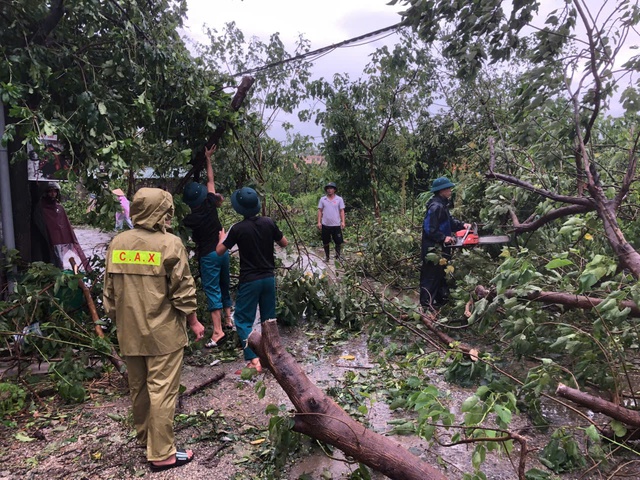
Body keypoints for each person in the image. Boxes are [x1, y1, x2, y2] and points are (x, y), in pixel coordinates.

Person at [103, 187, 205, 473]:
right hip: (163, 334)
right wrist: (194, 321)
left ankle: (147, 438)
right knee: (161, 391)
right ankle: (161, 455)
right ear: (164, 211)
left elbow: (109, 295)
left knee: (139, 388)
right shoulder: (170, 244)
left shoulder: (117, 244)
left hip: (130, 332)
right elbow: (183, 291)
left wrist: (121, 321)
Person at [216, 187, 288, 373]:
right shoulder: (269, 222)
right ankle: (272, 357)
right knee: (268, 319)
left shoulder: (238, 229)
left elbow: (219, 251)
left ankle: (253, 360)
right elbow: (284, 242)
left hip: (250, 280)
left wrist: (222, 238)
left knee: (241, 318)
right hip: (268, 278)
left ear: (239, 209)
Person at [183, 145, 234, 348]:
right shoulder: (211, 202)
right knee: (224, 285)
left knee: (212, 290)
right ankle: (228, 320)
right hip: (223, 250)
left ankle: (218, 331)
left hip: (208, 255)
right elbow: (211, 181)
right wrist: (208, 159)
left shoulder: (189, 218)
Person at [420, 177, 470, 309]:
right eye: (448, 189)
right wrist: (443, 238)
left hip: (441, 249)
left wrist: (462, 225)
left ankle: (440, 302)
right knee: (431, 276)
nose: (450, 191)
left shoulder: (443, 204)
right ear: (441, 190)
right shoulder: (435, 207)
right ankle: (426, 305)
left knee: (440, 275)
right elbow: (429, 229)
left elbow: (450, 222)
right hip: (433, 249)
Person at [32, 182, 91, 271]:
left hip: (60, 240)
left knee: (61, 261)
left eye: (55, 192)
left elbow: (65, 226)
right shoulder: (40, 208)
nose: (53, 194)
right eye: (50, 192)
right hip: (48, 240)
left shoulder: (59, 208)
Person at [317, 182, 345, 262]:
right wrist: (319, 222)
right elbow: (320, 211)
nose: (329, 190)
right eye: (328, 188)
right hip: (325, 224)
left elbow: (342, 211)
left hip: (336, 224)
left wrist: (343, 222)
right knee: (325, 242)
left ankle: (338, 256)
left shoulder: (339, 199)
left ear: (334, 190)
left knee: (338, 242)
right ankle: (327, 257)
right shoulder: (323, 199)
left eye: (331, 188)